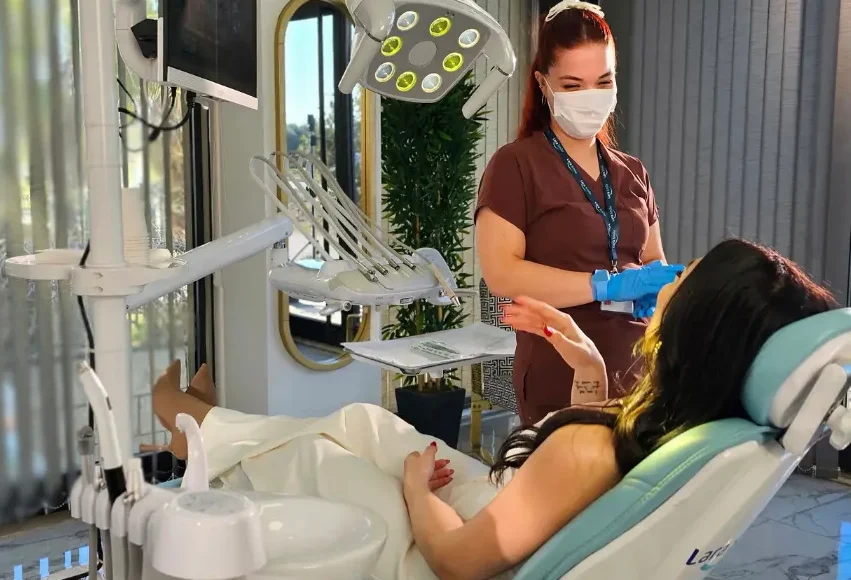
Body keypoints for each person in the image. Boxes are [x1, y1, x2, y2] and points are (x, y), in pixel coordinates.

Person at [149, 239, 835, 580]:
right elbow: (594, 474)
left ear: (699, 329)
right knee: (364, 424)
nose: (669, 278)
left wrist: (416, 494)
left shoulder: (586, 454)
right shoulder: (700, 427)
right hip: (503, 506)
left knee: (314, 456)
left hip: (455, 543)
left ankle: (192, 432)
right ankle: (202, 428)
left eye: (683, 280)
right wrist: (588, 372)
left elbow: (454, 559)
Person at [475, 0, 682, 423]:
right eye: (572, 86)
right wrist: (603, 287)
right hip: (559, 373)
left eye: (603, 81)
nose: (590, 97)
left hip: (636, 372)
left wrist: (657, 288)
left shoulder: (633, 172)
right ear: (543, 83)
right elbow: (503, 275)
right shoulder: (515, 166)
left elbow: (653, 261)